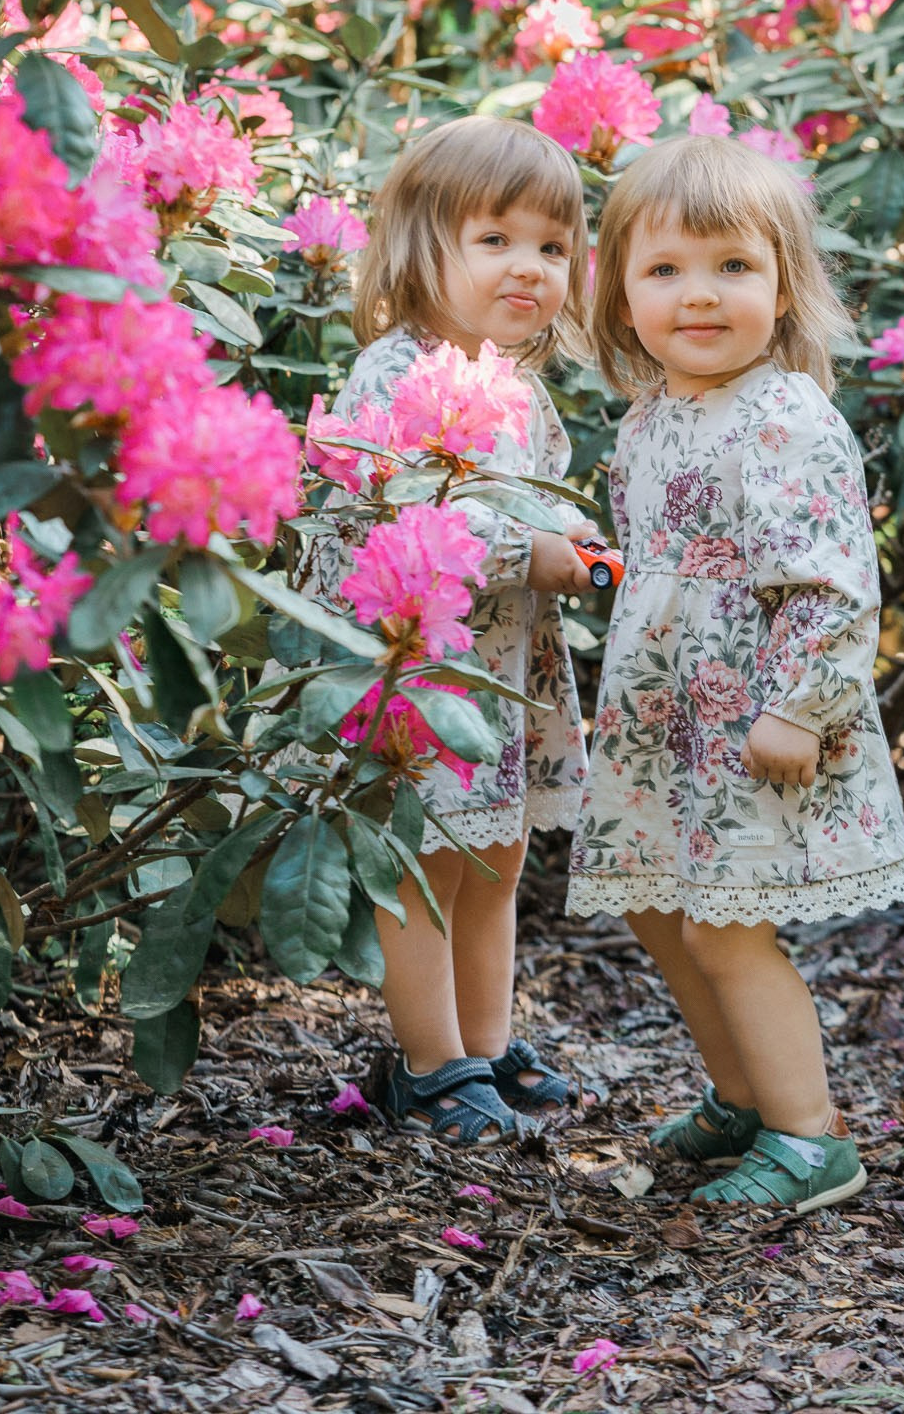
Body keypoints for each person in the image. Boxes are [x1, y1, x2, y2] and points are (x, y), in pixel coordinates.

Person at [566, 135, 904, 1212]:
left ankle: (810, 1137)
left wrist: (799, 708)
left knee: (725, 924)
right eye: (665, 269)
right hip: (665, 724)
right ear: (622, 295)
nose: (699, 294)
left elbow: (830, 582)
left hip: (753, 719)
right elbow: (660, 560)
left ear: (784, 285)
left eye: (732, 266)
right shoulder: (650, 419)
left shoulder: (784, 417)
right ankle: (742, 1095)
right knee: (663, 911)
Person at [319, 116, 594, 1145]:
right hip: (422, 676)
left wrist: (572, 536)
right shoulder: (391, 372)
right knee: (426, 864)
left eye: (552, 246)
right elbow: (398, 509)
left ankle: (487, 1045)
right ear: (419, 248)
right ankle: (428, 1067)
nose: (530, 267)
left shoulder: (519, 388)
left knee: (496, 859)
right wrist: (532, 550)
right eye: (496, 239)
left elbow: (534, 496)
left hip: (502, 675)